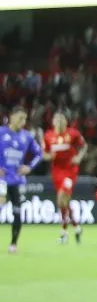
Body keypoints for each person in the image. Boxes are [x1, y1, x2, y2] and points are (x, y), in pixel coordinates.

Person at [1, 107, 43, 254]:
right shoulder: (1, 133)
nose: (23, 122)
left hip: (17, 180)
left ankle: (13, 244)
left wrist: (29, 167)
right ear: (11, 117)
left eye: (25, 119)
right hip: (1, 179)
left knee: (17, 212)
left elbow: (39, 154)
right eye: (20, 118)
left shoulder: (27, 137)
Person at [42, 112, 88, 245]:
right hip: (56, 171)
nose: (60, 123)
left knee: (61, 197)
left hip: (70, 171)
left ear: (66, 122)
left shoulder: (73, 134)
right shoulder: (48, 136)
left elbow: (84, 146)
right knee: (64, 203)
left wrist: (79, 157)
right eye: (57, 120)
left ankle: (64, 233)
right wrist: (48, 157)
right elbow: (44, 153)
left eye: (62, 120)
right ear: (53, 122)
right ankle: (77, 227)